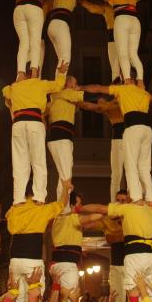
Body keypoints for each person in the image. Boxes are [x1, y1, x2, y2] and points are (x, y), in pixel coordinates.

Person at [2, 61, 68, 204]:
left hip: (18, 124)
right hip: (34, 122)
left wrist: (18, 79)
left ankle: (18, 198)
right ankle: (39, 196)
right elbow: (58, 85)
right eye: (36, 69)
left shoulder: (14, 86)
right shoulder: (40, 83)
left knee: (20, 163)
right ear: (34, 72)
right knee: (38, 161)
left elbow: (5, 92)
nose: (36, 72)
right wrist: (61, 73)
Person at [80, 80, 152, 204]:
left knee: (129, 169)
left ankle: (134, 197)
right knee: (121, 172)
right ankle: (120, 201)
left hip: (129, 134)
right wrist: (77, 102)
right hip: (121, 137)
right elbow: (93, 106)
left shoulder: (121, 100)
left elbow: (96, 101)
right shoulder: (115, 103)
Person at [6, 179, 71, 302]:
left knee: (18, 297)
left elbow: (8, 219)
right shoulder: (41, 210)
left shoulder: (14, 209)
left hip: (15, 260)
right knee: (34, 296)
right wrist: (65, 188)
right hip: (32, 260)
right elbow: (61, 204)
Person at [81, 199, 152, 302]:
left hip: (136, 258)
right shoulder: (110, 219)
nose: (121, 202)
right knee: (119, 300)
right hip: (118, 263)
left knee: (144, 294)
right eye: (118, 200)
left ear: (129, 201)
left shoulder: (133, 213)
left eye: (123, 200)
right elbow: (91, 225)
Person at [11, 0, 60, 80]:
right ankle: (34, 73)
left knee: (23, 43)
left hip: (19, 9)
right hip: (33, 6)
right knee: (35, 42)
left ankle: (20, 73)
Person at [50, 193, 102, 291]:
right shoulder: (70, 217)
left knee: (62, 294)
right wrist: (107, 212)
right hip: (67, 263)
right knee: (70, 295)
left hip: (59, 261)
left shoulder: (58, 218)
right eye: (78, 204)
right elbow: (92, 217)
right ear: (71, 205)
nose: (80, 207)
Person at [46, 76, 85, 205]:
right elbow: (85, 96)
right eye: (75, 83)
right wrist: (80, 89)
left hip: (55, 137)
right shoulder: (66, 92)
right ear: (68, 84)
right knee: (66, 174)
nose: (76, 86)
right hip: (62, 137)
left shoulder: (55, 96)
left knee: (63, 173)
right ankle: (64, 208)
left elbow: (43, 111)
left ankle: (62, 204)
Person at [99, 0, 143, 82]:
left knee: (122, 53)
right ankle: (140, 81)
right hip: (135, 20)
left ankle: (127, 82)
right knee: (133, 54)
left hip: (121, 18)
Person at [78, 97, 124, 202]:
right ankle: (114, 202)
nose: (100, 103)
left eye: (101, 101)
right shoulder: (108, 107)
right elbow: (95, 107)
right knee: (116, 174)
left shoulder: (117, 102)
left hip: (128, 135)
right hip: (118, 137)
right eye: (99, 101)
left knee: (130, 172)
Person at [78, 0, 120, 82]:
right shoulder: (108, 7)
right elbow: (92, 7)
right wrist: (80, 0)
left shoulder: (116, 5)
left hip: (121, 34)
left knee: (123, 67)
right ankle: (118, 91)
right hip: (113, 35)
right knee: (116, 68)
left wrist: (79, 0)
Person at [47, 0, 79, 73]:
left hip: (52, 26)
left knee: (61, 59)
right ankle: (59, 84)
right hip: (60, 24)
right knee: (65, 58)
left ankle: (58, 82)